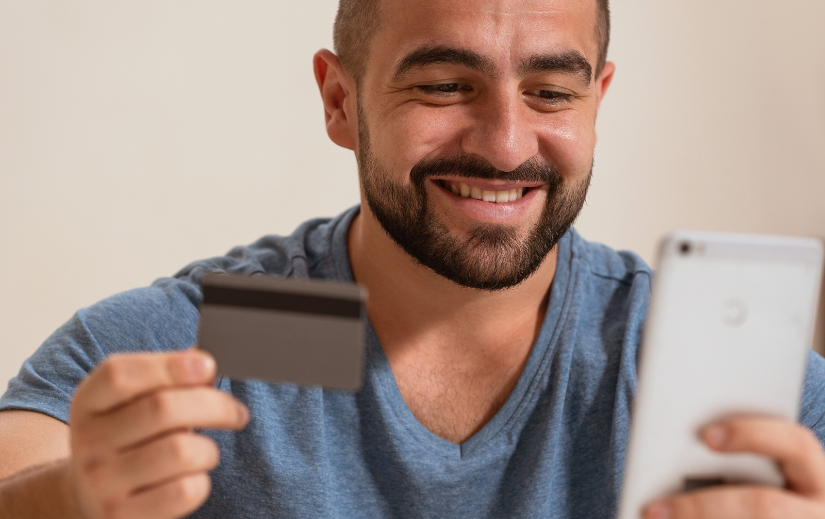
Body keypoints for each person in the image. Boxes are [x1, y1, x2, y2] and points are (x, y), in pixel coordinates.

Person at [2, 0, 825, 517]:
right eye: (443, 85)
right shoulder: (234, 335)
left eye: (549, 92)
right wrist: (68, 500)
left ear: (596, 102)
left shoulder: (709, 369)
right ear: (340, 102)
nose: (505, 145)